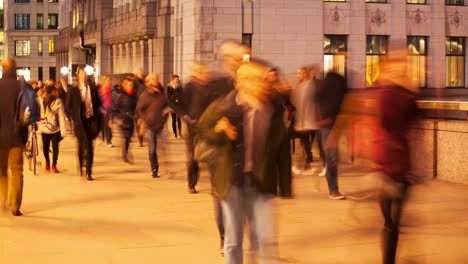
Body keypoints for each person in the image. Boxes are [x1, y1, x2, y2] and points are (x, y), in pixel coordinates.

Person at [196, 62, 283, 264]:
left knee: (265, 238)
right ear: (239, 83)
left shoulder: (270, 109)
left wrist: (284, 183)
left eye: (259, 80)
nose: (258, 85)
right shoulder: (223, 107)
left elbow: (281, 146)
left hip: (261, 183)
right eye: (251, 80)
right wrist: (219, 130)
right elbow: (201, 132)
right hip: (232, 182)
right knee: (234, 240)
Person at [0, 57, 30, 216]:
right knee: (17, 170)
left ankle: (2, 199)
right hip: (17, 137)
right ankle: (15, 206)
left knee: (1, 171)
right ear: (15, 69)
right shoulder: (22, 87)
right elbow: (29, 112)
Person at [317, 68, 347, 200]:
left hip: (329, 124)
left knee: (332, 157)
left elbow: (315, 99)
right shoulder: (338, 86)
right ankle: (333, 190)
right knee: (332, 157)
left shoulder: (324, 86)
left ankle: (333, 190)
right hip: (332, 124)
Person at [68, 66, 101, 181]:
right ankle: (81, 167)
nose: (85, 75)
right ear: (79, 76)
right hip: (79, 122)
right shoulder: (73, 90)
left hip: (90, 120)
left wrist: (99, 118)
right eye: (82, 73)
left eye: (86, 73)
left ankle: (89, 172)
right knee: (81, 146)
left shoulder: (93, 88)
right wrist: (73, 117)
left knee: (90, 146)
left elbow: (98, 104)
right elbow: (68, 107)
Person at [135, 73, 169, 178]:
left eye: (157, 78)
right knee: (152, 149)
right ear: (149, 81)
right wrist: (145, 119)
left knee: (164, 147)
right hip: (150, 126)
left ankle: (166, 164)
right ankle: (154, 169)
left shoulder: (162, 93)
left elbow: (167, 107)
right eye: (154, 79)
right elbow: (139, 110)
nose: (156, 80)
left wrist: (164, 119)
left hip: (160, 125)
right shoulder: (145, 95)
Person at [290, 66, 320, 175]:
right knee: (304, 142)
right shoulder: (303, 85)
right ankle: (302, 165)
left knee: (305, 142)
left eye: (300, 73)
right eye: (298, 73)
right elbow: (299, 103)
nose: (298, 75)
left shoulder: (305, 85)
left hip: (305, 120)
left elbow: (302, 103)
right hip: (304, 120)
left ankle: (303, 165)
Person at [38, 83, 66, 173]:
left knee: (55, 148)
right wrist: (39, 124)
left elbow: (61, 116)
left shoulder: (59, 102)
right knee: (45, 148)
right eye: (54, 91)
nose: (56, 93)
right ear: (49, 93)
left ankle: (54, 164)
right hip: (44, 128)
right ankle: (47, 161)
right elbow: (40, 114)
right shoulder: (42, 101)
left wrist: (63, 130)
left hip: (55, 129)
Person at [113, 77, 138, 163]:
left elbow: (136, 108)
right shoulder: (120, 96)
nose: (130, 86)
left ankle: (125, 153)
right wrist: (116, 118)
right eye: (128, 85)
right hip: (123, 120)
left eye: (131, 85)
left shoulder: (134, 96)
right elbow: (115, 108)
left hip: (131, 120)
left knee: (128, 138)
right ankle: (125, 155)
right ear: (124, 86)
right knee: (125, 137)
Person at [98, 75, 113, 147]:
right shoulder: (101, 91)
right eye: (107, 81)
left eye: (109, 81)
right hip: (102, 111)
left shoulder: (110, 91)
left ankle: (109, 141)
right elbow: (99, 101)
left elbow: (111, 102)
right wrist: (101, 109)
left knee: (108, 126)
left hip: (109, 110)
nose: (109, 82)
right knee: (102, 126)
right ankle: (103, 139)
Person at [166, 74, 183, 138]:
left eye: (178, 79)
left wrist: (179, 99)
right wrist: (172, 101)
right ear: (173, 79)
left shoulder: (180, 87)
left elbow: (182, 95)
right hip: (172, 105)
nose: (177, 80)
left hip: (178, 105)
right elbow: (168, 96)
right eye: (176, 79)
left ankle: (180, 133)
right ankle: (175, 133)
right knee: (174, 119)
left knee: (179, 119)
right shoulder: (169, 86)